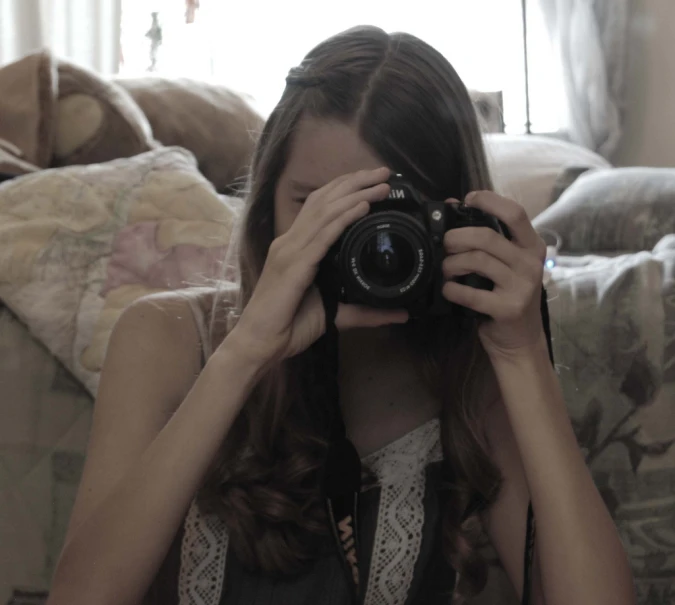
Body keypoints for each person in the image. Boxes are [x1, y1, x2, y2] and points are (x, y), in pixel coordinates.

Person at [47, 25, 635, 605]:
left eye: (387, 211)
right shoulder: (166, 339)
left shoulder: (475, 380)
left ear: (453, 218)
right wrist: (246, 351)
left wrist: (524, 353)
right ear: (265, 205)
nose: (360, 241)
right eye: (319, 206)